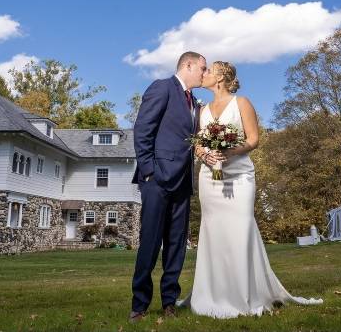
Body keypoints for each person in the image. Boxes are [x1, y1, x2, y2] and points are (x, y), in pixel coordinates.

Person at [176, 60, 323, 318]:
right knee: (214, 231)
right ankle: (211, 292)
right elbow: (197, 143)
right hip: (210, 178)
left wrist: (227, 151)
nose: (205, 73)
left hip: (240, 176)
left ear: (220, 77)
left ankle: (245, 294)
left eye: (209, 70)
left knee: (241, 228)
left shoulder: (241, 102)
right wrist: (204, 153)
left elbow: (254, 140)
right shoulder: (202, 109)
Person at [129, 51, 207, 323]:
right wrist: (149, 171)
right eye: (202, 68)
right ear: (187, 65)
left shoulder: (194, 102)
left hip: (183, 182)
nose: (204, 74)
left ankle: (169, 302)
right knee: (150, 243)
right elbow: (143, 130)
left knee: (176, 246)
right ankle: (139, 305)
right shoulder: (162, 87)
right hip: (157, 180)